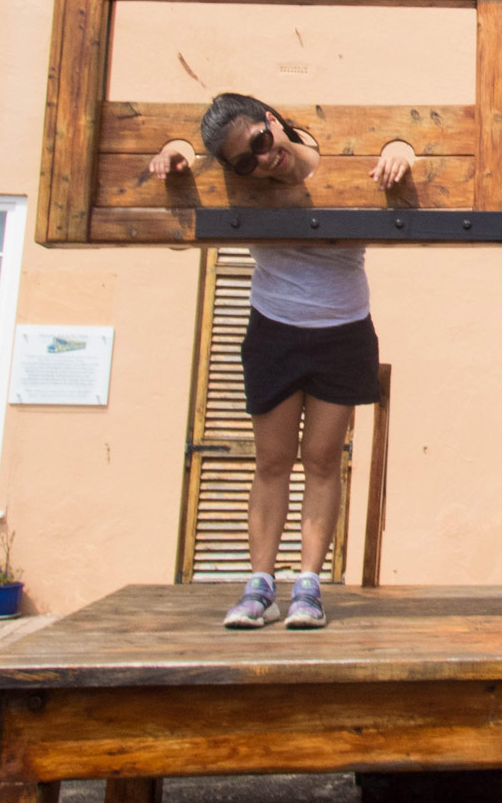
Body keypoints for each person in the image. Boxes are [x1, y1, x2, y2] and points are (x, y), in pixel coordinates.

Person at [149, 92, 412, 630]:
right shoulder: (242, 181)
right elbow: (181, 151)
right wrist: (174, 151)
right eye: (245, 163)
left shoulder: (334, 154)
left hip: (343, 330)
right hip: (274, 329)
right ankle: (260, 584)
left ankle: (308, 586)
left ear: (272, 121)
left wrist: (404, 151)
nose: (262, 161)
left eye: (261, 143)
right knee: (271, 461)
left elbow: (410, 140)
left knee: (321, 459)